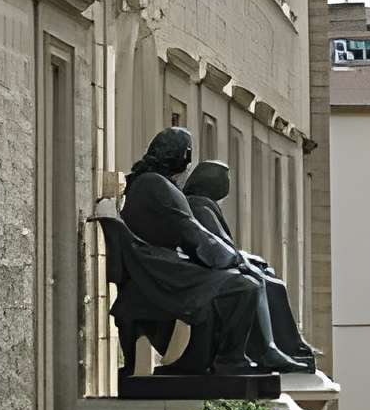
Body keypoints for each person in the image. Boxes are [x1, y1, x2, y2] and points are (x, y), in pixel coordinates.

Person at [100, 128, 266, 378]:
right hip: (158, 272)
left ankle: (195, 360)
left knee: (224, 286)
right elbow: (192, 235)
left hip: (156, 266)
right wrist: (233, 258)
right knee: (245, 286)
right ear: (182, 155)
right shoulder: (156, 185)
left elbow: (191, 234)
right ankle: (229, 361)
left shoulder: (146, 182)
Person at [184, 159, 318, 375]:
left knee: (270, 278)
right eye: (224, 177)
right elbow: (214, 245)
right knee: (264, 283)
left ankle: (290, 346)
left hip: (220, 264)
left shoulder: (204, 204)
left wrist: (246, 257)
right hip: (213, 270)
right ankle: (270, 349)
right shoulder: (199, 206)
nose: (228, 183)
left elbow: (220, 244)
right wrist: (242, 260)